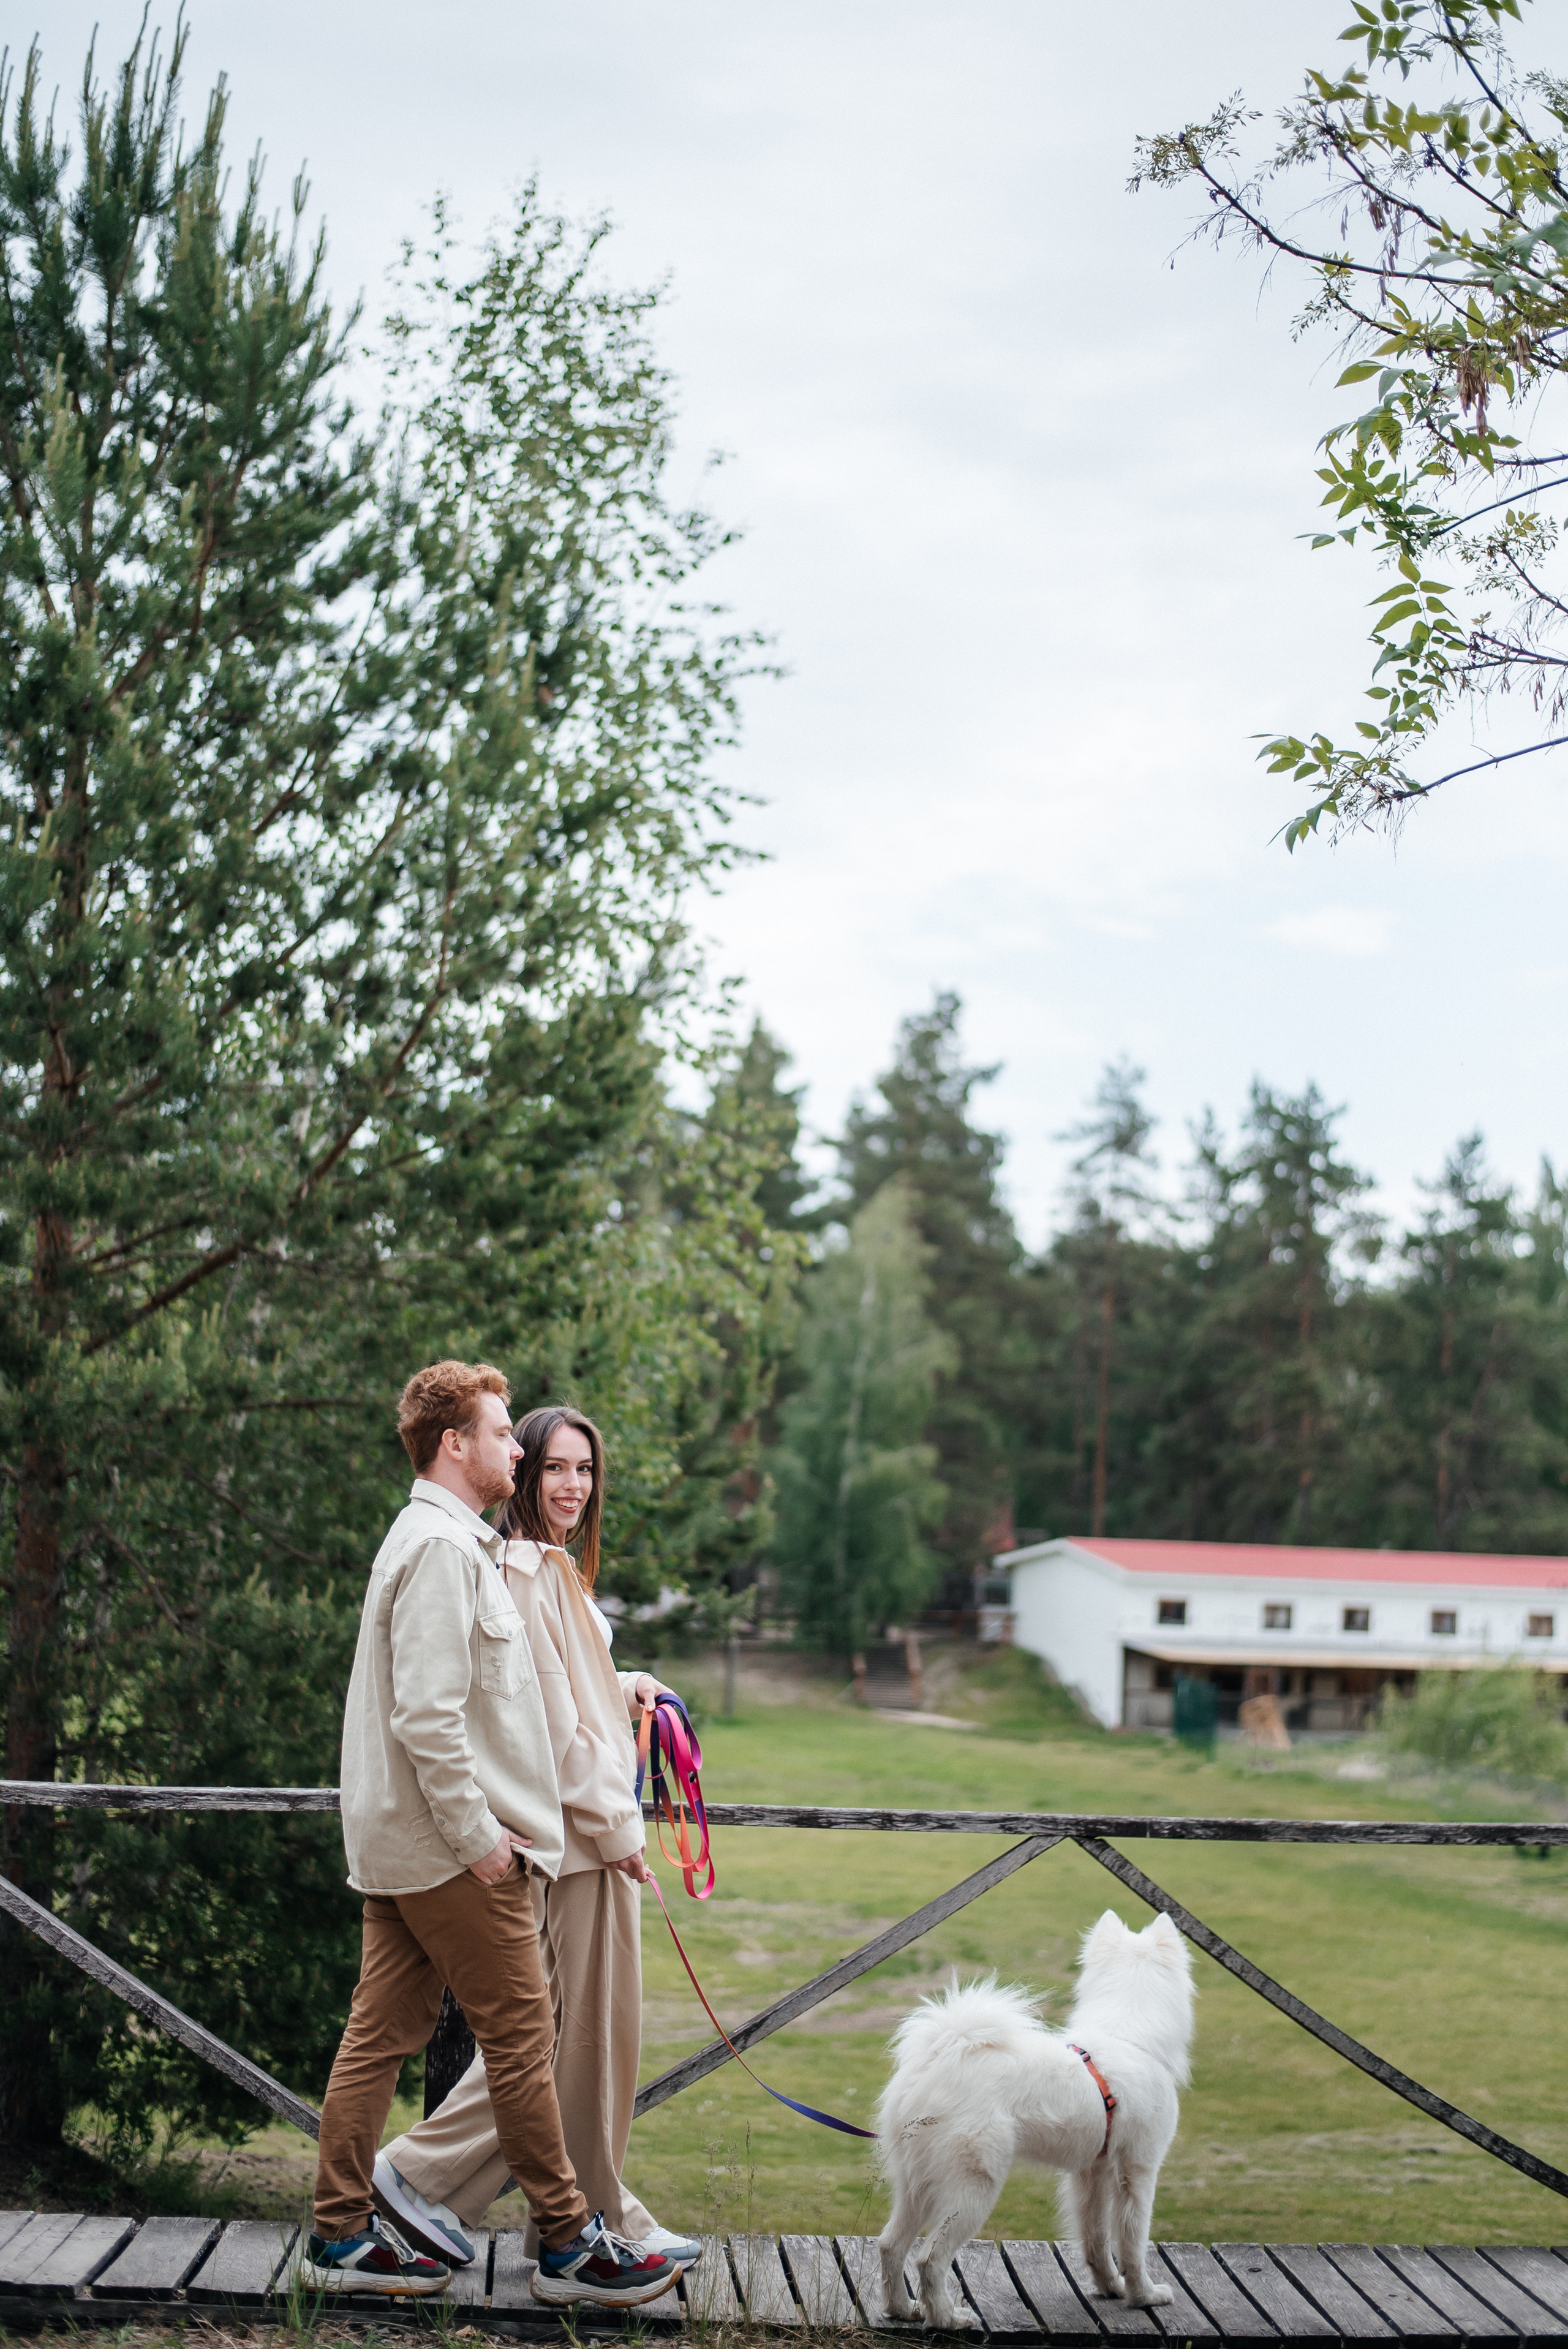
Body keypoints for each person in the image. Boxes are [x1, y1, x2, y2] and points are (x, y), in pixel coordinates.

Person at [300, 1362, 682, 2310]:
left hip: (411, 1841)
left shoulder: (443, 1540)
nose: (518, 1450)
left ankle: (340, 2233)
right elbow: (429, 1719)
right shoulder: (440, 1550)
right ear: (453, 1445)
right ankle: (569, 2246)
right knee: (524, 2037)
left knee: (379, 2036)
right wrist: (481, 1840)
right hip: (449, 1850)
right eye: (506, 1435)